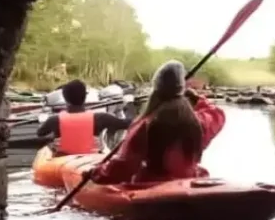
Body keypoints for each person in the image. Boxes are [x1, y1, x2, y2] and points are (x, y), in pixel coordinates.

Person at [94, 60, 226, 184]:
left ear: (155, 89)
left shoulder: (143, 125)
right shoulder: (198, 122)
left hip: (152, 185)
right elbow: (217, 114)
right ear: (182, 90)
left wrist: (97, 173)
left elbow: (124, 167)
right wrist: (197, 99)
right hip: (188, 180)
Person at [35, 79, 132, 155]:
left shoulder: (54, 119)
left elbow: (40, 133)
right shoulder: (101, 118)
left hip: (63, 159)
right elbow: (126, 124)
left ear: (65, 98)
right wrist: (126, 103)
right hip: (91, 158)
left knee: (49, 147)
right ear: (85, 97)